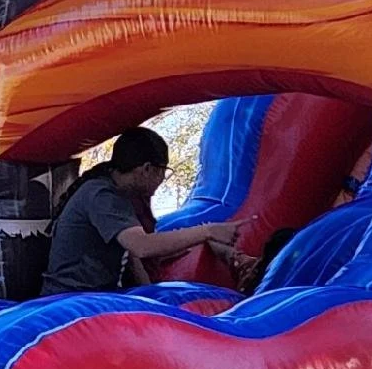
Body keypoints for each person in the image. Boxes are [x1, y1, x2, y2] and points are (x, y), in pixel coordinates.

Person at [40, 127, 244, 297]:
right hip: (70, 298)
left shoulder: (119, 195)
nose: (162, 180)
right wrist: (207, 231)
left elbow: (132, 256)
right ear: (147, 169)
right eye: (164, 172)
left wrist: (150, 296)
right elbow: (141, 246)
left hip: (89, 296)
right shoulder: (102, 195)